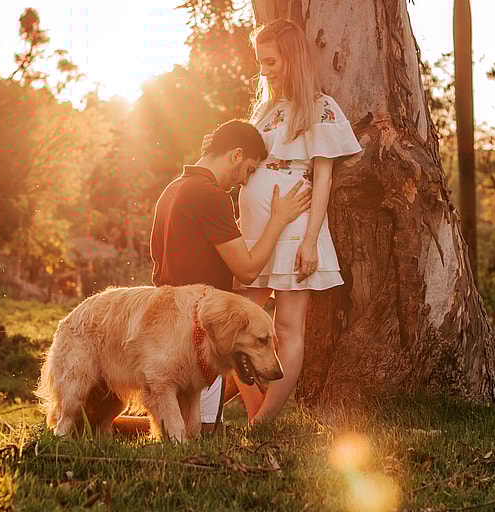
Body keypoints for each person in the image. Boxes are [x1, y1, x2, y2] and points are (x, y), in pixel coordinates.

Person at [204, 19, 362, 425]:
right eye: (261, 62)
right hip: (254, 228)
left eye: (271, 61)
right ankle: (247, 412)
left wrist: (310, 241)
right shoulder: (267, 110)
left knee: (288, 327)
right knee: (235, 321)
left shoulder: (322, 108)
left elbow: (323, 178)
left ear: (292, 59)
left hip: (294, 225)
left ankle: (263, 422)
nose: (264, 70)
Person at [111, 118, 311, 435]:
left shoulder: (172, 189)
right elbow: (246, 268)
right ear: (234, 155)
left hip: (163, 322)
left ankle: (103, 426)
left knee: (180, 411)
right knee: (202, 430)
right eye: (247, 170)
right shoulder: (211, 196)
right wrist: (279, 219)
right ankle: (105, 428)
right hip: (193, 331)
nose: (242, 182)